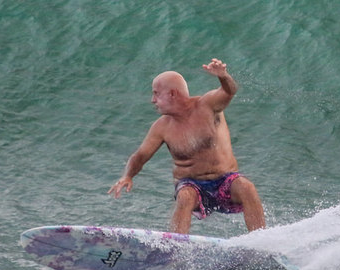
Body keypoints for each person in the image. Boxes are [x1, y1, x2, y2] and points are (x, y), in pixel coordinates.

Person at [108, 58, 266, 234]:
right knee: (184, 197)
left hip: (225, 180)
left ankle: (261, 240)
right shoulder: (162, 127)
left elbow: (230, 91)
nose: (152, 100)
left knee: (246, 187)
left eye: (156, 93)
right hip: (192, 185)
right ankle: (176, 247)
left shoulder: (207, 105)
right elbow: (140, 156)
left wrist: (223, 76)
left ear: (172, 94)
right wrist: (127, 176)